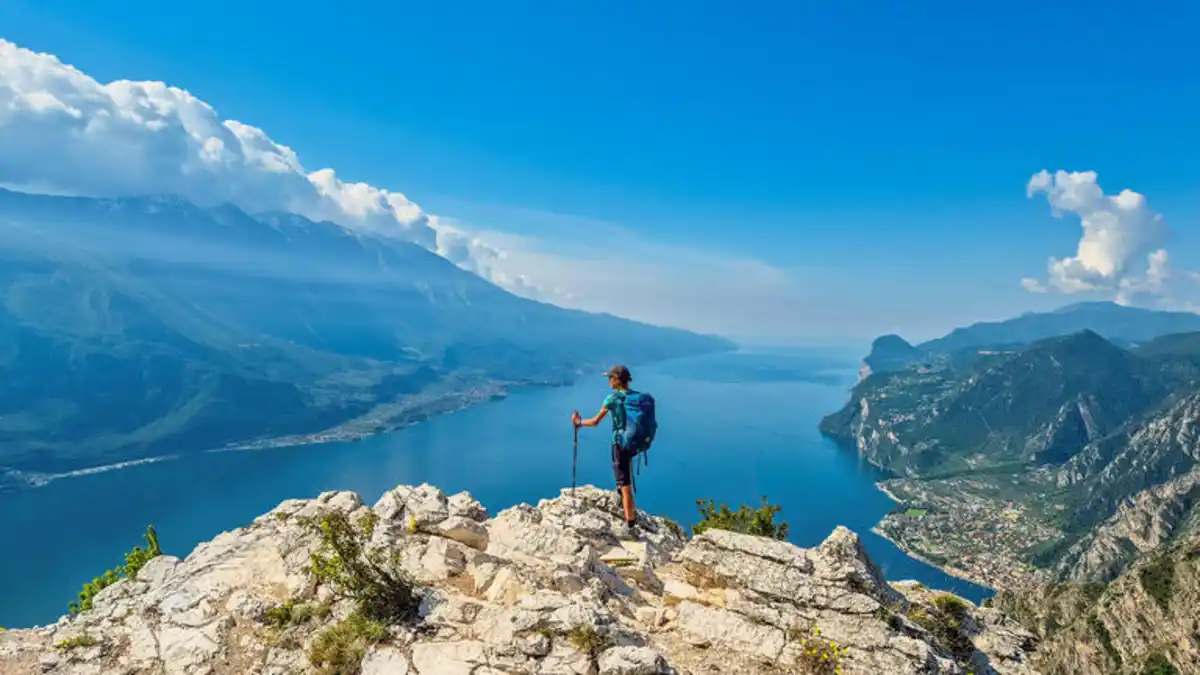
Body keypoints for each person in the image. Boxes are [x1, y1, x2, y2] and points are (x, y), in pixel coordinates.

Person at [572, 364, 640, 541]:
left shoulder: (612, 399)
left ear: (617, 380)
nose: (609, 381)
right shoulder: (636, 397)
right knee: (624, 473)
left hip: (619, 442)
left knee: (625, 484)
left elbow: (595, 422)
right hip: (632, 443)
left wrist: (579, 422)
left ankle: (630, 526)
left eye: (610, 378)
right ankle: (620, 498)